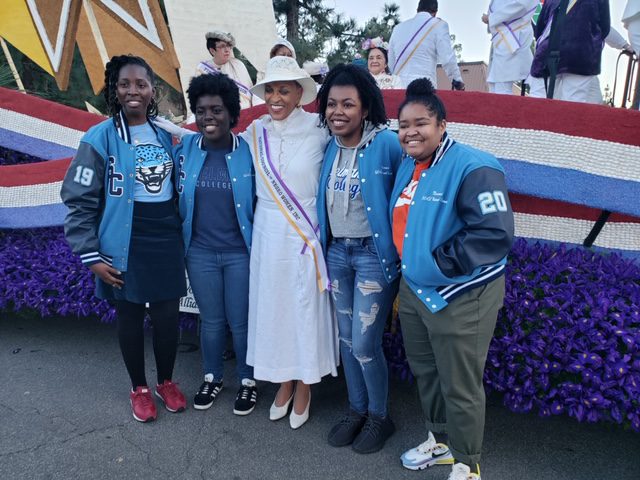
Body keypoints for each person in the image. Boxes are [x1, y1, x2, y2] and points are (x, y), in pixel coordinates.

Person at [391, 78, 514, 480]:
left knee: (460, 384)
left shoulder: (474, 165)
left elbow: (494, 233)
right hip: (414, 292)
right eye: (403, 124)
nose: (411, 131)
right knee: (426, 371)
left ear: (442, 124)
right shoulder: (410, 166)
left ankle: (468, 463)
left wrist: (438, 264)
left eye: (421, 122)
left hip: (460, 295)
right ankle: (441, 442)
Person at [60, 55, 187, 423]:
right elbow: (78, 200)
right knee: (130, 316)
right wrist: (90, 254)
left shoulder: (166, 133)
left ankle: (165, 381)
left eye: (141, 84)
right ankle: (140, 388)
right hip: (124, 239)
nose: (133, 90)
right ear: (114, 90)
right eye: (125, 84)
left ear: (152, 90)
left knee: (167, 317)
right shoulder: (99, 137)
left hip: (165, 235)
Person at [240, 56, 338, 429]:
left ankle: (305, 384)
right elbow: (210, 138)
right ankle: (283, 380)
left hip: (304, 233)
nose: (276, 98)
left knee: (304, 306)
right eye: (270, 90)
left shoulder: (320, 128)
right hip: (267, 231)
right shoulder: (255, 131)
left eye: (284, 90)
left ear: (300, 92)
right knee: (275, 306)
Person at [316, 64, 403, 453]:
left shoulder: (386, 143)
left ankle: (380, 418)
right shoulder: (329, 144)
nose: (338, 111)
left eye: (348, 104)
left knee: (366, 343)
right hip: (337, 252)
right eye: (332, 103)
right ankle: (357, 409)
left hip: (371, 256)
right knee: (346, 339)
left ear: (365, 108)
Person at [174, 74, 257, 415]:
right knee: (210, 321)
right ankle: (212, 376)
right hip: (200, 252)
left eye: (217, 110)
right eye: (201, 110)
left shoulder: (248, 153)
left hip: (239, 252)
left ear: (231, 113)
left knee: (240, 322)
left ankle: (248, 381)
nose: (208, 117)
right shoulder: (186, 150)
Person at [529, 0, 610, 103]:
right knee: (573, 102)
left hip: (548, 52)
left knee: (538, 101)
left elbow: (540, 27)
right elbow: (605, 27)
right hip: (582, 53)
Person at [388, 0, 465, 90]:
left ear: (417, 9)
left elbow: (391, 61)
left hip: (398, 87)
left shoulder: (398, 28)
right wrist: (457, 80)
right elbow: (447, 59)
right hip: (424, 88)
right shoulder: (438, 24)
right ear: (435, 12)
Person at [482, 0, 538, 95]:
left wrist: (491, 18)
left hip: (514, 37)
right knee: (494, 87)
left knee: (502, 87)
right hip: (500, 38)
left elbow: (522, 4)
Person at [196, 30, 254, 109]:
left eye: (228, 46)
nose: (227, 50)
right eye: (222, 46)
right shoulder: (202, 69)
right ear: (212, 51)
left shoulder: (238, 65)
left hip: (244, 110)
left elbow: (250, 93)